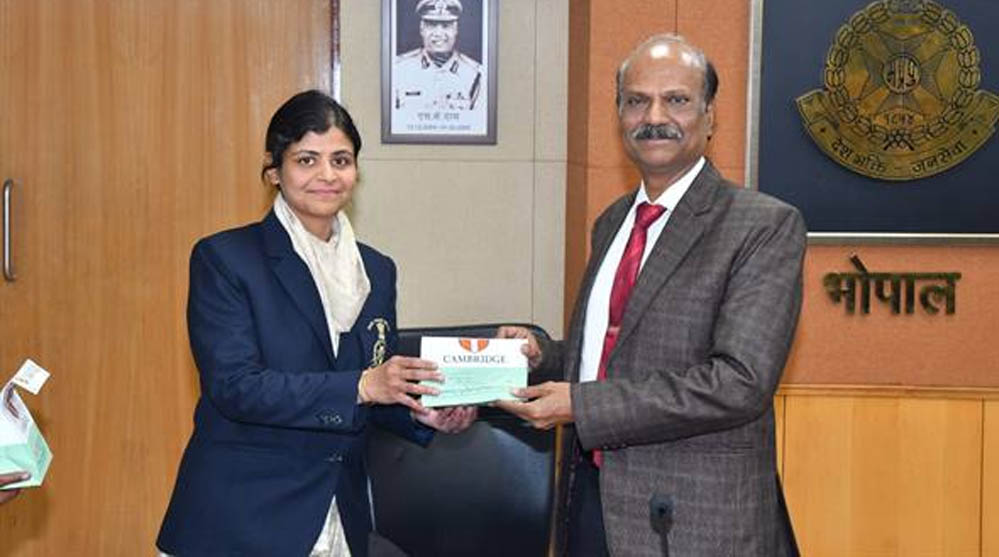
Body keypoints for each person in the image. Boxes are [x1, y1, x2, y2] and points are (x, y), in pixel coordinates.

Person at [496, 34, 805, 556]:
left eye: (676, 100)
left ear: (710, 116)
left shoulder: (762, 225)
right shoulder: (613, 221)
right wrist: (543, 356)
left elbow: (738, 382)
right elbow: (614, 355)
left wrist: (581, 404)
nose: (654, 116)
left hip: (692, 526)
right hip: (591, 503)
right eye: (636, 101)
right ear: (619, 115)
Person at [156, 90, 476, 557]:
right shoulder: (226, 259)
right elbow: (235, 387)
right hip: (241, 518)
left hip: (339, 515)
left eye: (340, 160)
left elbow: (367, 388)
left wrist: (418, 412)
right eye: (307, 160)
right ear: (274, 171)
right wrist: (364, 386)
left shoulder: (376, 270)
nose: (327, 175)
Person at [393, 0, 482, 112]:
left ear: (456, 29)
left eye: (446, 26)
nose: (438, 33)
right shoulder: (399, 70)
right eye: (432, 25)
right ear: (421, 29)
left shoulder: (475, 74)